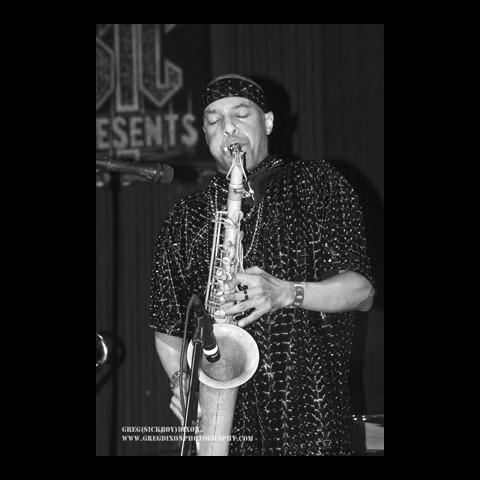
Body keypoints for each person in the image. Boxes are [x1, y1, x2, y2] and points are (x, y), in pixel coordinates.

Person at [149, 73, 375, 456]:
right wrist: (180, 380)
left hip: (312, 417)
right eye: (214, 120)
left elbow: (362, 291)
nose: (228, 128)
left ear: (268, 122)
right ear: (205, 134)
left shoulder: (317, 183)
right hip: (229, 430)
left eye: (240, 115)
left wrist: (288, 293)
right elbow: (168, 329)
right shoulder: (186, 217)